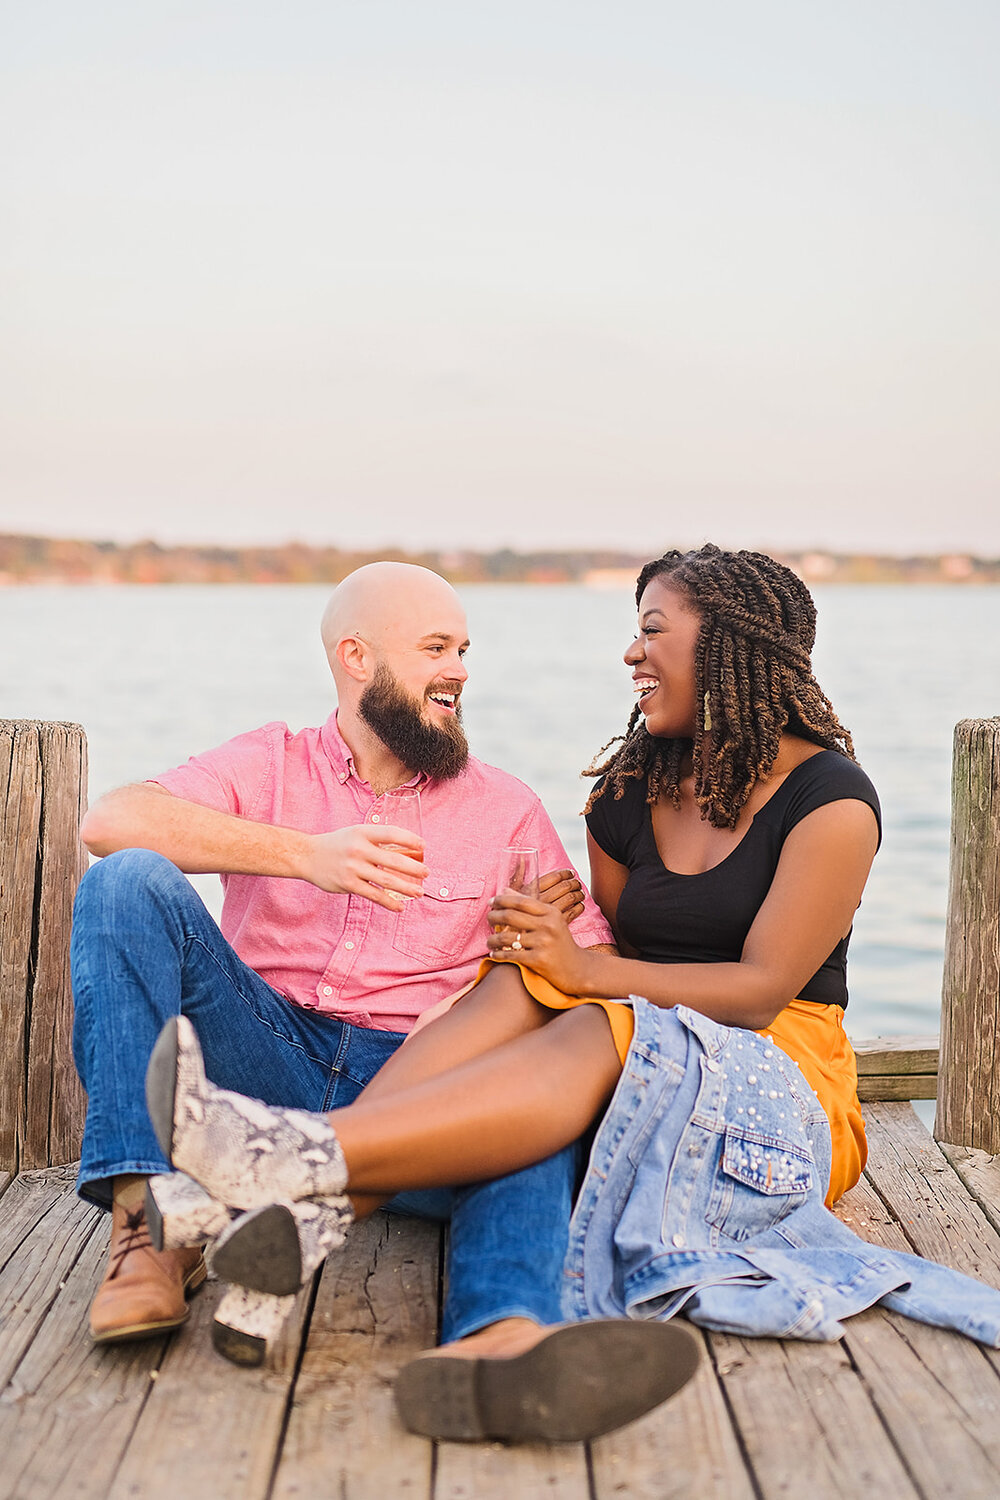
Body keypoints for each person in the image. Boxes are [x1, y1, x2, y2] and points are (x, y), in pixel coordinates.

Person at [140, 544, 885, 1437]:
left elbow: (762, 991)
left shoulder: (832, 802)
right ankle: (332, 1216)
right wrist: (540, 942)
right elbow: (596, 953)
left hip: (773, 1081)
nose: (630, 654)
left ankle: (292, 1167)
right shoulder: (630, 789)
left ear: (729, 646)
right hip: (633, 1046)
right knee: (523, 975)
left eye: (653, 630)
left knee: (578, 1015)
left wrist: (585, 971)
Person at [72, 561, 695, 1442]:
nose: (461, 670)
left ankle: (503, 1335)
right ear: (356, 657)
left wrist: (493, 983)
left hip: (415, 1083)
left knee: (528, 1109)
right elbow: (111, 824)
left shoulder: (507, 810)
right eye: (437, 648)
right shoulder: (271, 762)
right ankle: (148, 1229)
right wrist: (304, 856)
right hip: (263, 1054)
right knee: (124, 885)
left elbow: (583, 970)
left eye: (465, 650)